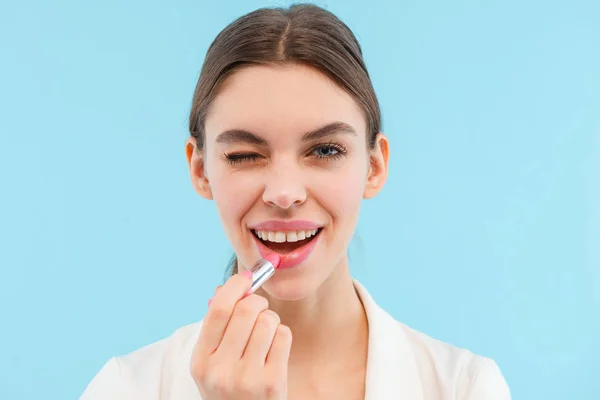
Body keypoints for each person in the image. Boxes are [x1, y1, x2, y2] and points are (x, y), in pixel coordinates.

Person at [81, 3, 511, 399]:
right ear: (200, 169)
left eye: (325, 151)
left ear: (374, 166)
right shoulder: (125, 388)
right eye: (245, 155)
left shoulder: (465, 387)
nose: (284, 193)